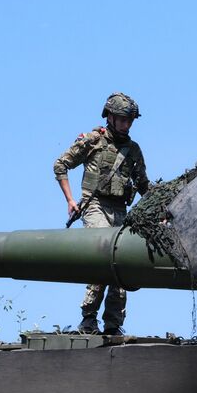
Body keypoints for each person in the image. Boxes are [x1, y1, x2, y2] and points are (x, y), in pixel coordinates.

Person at [54, 92, 149, 334]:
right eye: (123, 119)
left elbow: (144, 186)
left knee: (122, 266)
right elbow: (61, 165)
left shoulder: (133, 150)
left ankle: (113, 325)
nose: (127, 125)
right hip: (95, 205)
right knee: (102, 258)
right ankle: (88, 318)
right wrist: (70, 200)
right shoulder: (93, 140)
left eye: (130, 120)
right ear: (110, 117)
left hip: (120, 209)